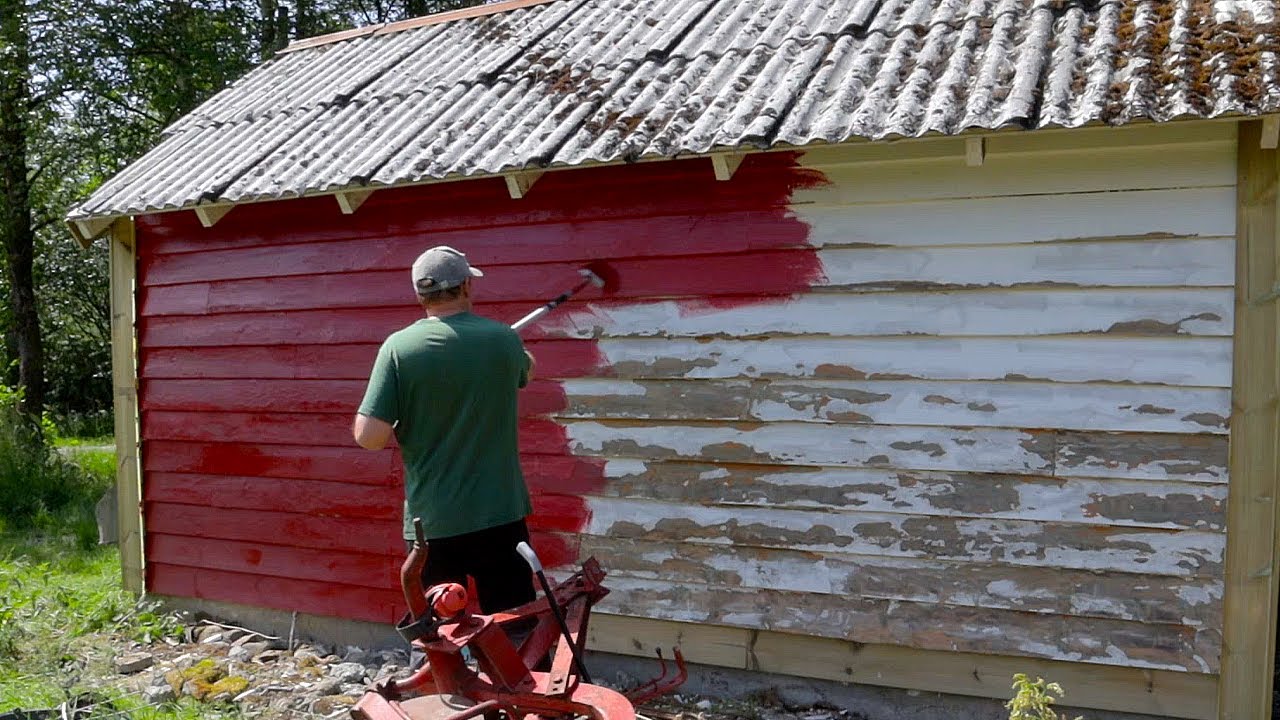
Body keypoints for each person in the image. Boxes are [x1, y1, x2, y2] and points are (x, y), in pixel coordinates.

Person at [352, 245, 538, 619]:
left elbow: (369, 437)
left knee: (442, 633)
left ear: (419, 293)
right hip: (500, 514)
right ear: (466, 285)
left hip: (434, 523)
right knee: (516, 628)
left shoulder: (399, 349)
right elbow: (527, 370)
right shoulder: (503, 339)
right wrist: (502, 347)